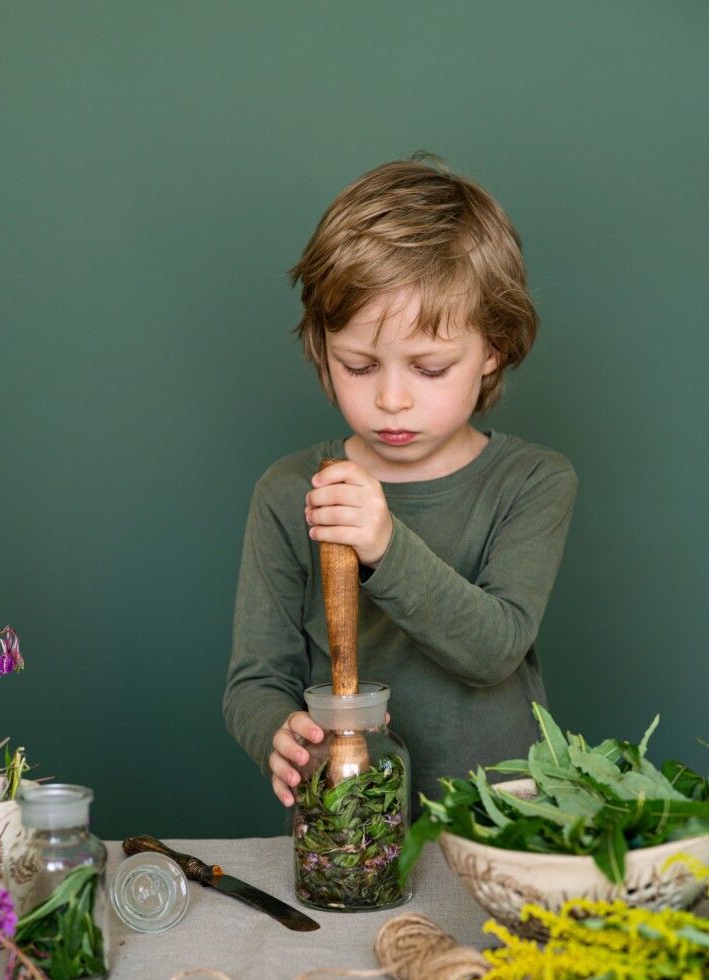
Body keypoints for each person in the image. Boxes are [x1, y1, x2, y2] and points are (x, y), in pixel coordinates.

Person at [223, 154, 577, 816]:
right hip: (350, 824)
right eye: (358, 365)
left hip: (503, 822)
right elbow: (256, 679)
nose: (391, 398)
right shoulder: (287, 490)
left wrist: (385, 544)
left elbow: (496, 647)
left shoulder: (533, 481)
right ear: (323, 346)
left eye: (429, 368)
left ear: (493, 347)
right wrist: (277, 730)